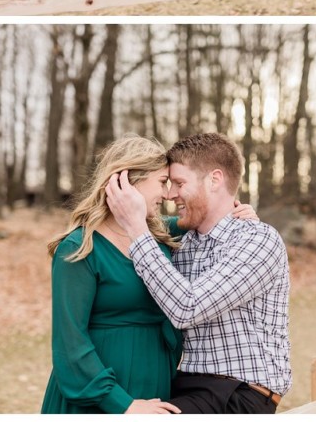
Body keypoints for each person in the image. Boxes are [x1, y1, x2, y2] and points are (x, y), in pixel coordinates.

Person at [107, 132, 290, 414]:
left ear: (215, 179)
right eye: (168, 184)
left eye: (179, 183)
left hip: (240, 393)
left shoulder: (258, 240)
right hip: (185, 385)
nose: (170, 195)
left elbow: (186, 308)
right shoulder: (183, 243)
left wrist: (136, 227)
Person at [41, 136, 185, 415]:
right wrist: (123, 404)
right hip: (101, 399)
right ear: (127, 181)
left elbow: (192, 220)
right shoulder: (80, 249)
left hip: (155, 385)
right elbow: (70, 344)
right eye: (162, 182)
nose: (167, 195)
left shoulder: (156, 238)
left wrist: (234, 213)